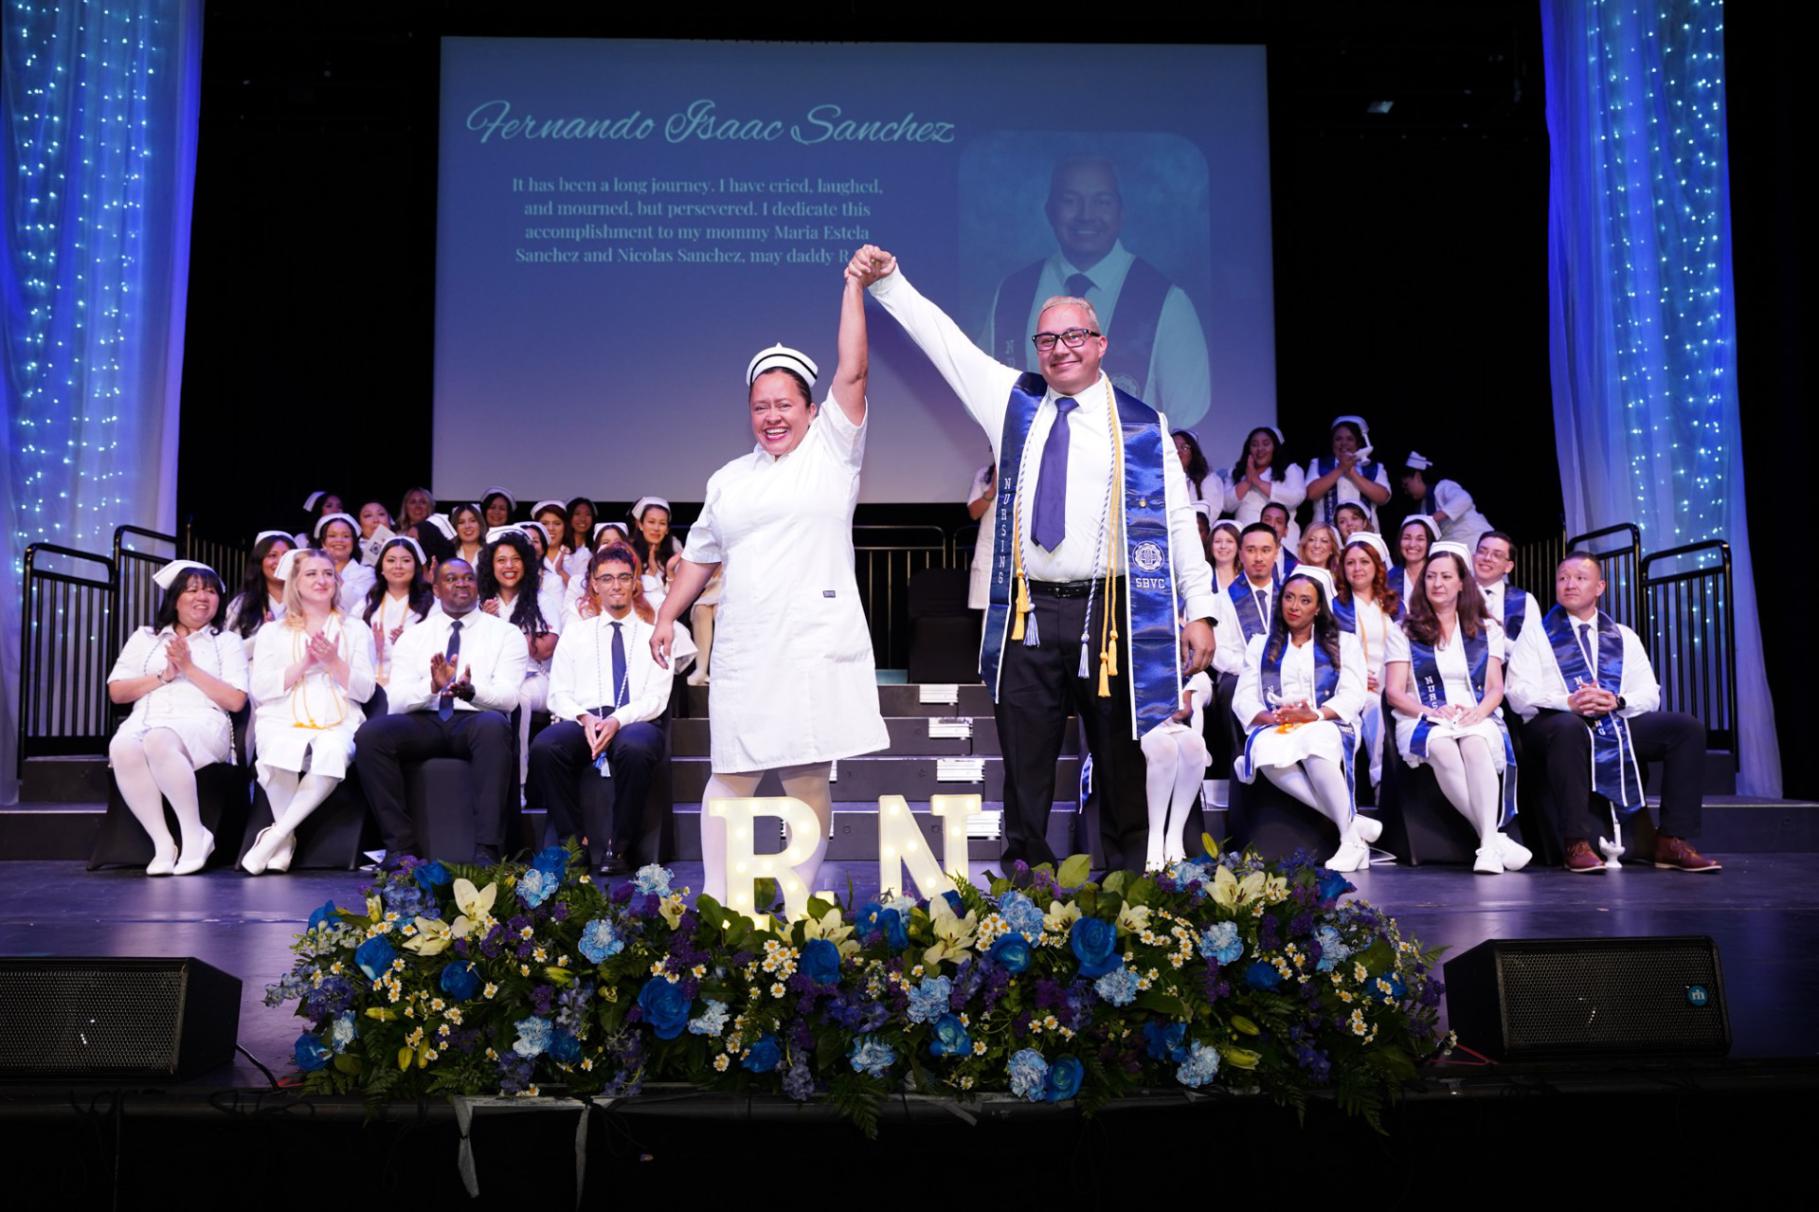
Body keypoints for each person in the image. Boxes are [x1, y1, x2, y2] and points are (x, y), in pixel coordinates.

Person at [865, 244, 1216, 871]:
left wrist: (1201, 611)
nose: (1061, 348)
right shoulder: (1011, 400)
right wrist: (891, 283)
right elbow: (943, 343)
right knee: (1025, 763)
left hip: (1110, 612)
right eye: (1047, 339)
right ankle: (1028, 895)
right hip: (1030, 609)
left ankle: (1126, 889)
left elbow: (1177, 522)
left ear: (1101, 342)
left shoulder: (1143, 425)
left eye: (1075, 335)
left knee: (1118, 757)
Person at [654, 258, 892, 898]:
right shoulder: (729, 478)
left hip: (812, 640)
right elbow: (701, 553)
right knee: (730, 771)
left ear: (813, 409)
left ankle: (795, 897)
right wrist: (664, 614)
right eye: (761, 406)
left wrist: (853, 287)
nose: (772, 416)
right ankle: (718, 899)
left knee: (806, 775)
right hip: (748, 645)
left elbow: (855, 370)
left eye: (785, 404)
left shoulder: (833, 451)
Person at [1504, 552, 1720, 873]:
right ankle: (1576, 841)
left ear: (1600, 586)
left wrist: (1616, 701)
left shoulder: (1623, 636)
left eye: (1580, 578)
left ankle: (1671, 840)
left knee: (1685, 728)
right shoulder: (1536, 635)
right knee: (1569, 728)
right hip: (1553, 725)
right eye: (1563, 578)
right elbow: (1518, 694)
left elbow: (1650, 694)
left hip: (1613, 721)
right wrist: (1569, 702)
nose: (1570, 584)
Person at [982, 155, 1212, 427]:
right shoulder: (1013, 294)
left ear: (1120, 212)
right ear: (1049, 211)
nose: (1086, 215)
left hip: (1124, 467)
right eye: (1070, 200)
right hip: (1033, 466)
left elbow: (1187, 420)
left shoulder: (1167, 302)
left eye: (1101, 201)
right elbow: (985, 393)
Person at [353, 558, 528, 864]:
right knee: (371, 735)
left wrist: (471, 691)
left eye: (467, 578)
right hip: (426, 719)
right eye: (451, 579)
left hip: (474, 718)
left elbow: (510, 698)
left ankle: (486, 849)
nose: (461, 584)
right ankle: (401, 848)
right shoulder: (414, 636)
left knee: (492, 727)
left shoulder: (505, 634)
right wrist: (432, 687)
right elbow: (397, 699)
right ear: (435, 588)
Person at [536, 544, 697, 875]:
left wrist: (616, 719)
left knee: (635, 747)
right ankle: (573, 843)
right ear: (594, 584)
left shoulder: (656, 633)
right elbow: (558, 694)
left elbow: (656, 698)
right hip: (586, 719)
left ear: (635, 582)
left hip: (634, 719)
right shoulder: (576, 634)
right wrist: (585, 718)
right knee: (545, 747)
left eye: (624, 578)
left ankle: (620, 845)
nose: (616, 585)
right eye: (606, 578)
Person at [1383, 542, 1529, 875]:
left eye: (1446, 576)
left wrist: (1480, 712)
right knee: (1442, 748)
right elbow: (1394, 692)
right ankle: (1492, 841)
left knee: (1476, 743)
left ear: (1462, 582)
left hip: (1474, 712)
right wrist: (1430, 712)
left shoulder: (1487, 629)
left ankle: (1489, 843)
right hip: (1422, 716)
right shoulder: (1403, 630)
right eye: (1431, 577)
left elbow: (1496, 687)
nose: (1437, 583)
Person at [106, 560, 249, 875]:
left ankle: (194, 834)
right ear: (175, 598)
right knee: (123, 747)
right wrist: (165, 675)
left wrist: (188, 668)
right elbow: (117, 692)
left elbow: (236, 700)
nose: (203, 597)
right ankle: (163, 843)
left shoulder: (226, 641)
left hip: (204, 723)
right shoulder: (146, 637)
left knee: (160, 738)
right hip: (145, 718)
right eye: (193, 590)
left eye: (210, 591)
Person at [1231, 567, 1379, 871]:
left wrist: (1313, 715)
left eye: (1304, 600)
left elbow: (1353, 695)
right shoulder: (1261, 644)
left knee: (1315, 741)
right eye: (1288, 598)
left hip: (1328, 721)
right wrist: (1270, 717)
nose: (1294, 607)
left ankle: (1348, 840)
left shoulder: (1344, 642)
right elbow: (1243, 698)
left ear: (1318, 608)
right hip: (1280, 724)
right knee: (1263, 751)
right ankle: (1352, 827)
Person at [243, 549, 377, 874]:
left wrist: (333, 662)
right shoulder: (272, 632)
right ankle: (285, 839)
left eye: (328, 573)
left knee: (331, 751)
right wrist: (305, 663)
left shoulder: (356, 629)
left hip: (338, 715)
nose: (322, 580)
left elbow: (365, 690)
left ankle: (274, 836)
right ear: (296, 583)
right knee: (277, 752)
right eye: (312, 574)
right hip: (281, 713)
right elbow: (261, 689)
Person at [478, 527, 562, 787]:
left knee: (518, 699)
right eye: (501, 560)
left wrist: (498, 628)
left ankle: (519, 783)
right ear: (491, 566)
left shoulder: (541, 600)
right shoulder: (481, 604)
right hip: (492, 677)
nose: (509, 566)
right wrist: (485, 622)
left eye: (515, 560)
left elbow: (545, 647)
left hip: (535, 678)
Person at [1334, 531, 1400, 788]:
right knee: (1375, 710)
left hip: (1394, 681)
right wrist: (1358, 678)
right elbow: (1328, 655)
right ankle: (1379, 784)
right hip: (1358, 685)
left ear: (1377, 566)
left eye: (1364, 561)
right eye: (1350, 563)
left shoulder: (1395, 604)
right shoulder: (1334, 607)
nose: (1357, 568)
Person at [1141, 670, 1213, 872]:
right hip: (1137, 718)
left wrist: (1185, 690)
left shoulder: (1173, 639)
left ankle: (1174, 836)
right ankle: (1155, 839)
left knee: (1194, 745)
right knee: (1164, 748)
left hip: (1171, 722)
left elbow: (1184, 707)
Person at [361, 535, 433, 688]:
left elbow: (435, 649)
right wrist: (370, 645)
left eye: (406, 561)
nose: (398, 566)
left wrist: (405, 644)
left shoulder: (432, 605)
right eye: (391, 560)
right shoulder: (366, 602)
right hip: (370, 684)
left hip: (412, 685)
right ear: (381, 567)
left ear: (416, 567)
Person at [1303, 415, 1391, 531]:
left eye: (1350, 439)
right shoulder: (1318, 464)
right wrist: (1340, 469)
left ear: (1358, 443)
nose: (1344, 443)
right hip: (1326, 537)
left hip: (1364, 537)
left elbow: (1383, 497)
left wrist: (1353, 474)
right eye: (1338, 439)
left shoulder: (1373, 467)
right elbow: (1311, 494)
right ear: (1332, 442)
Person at [1219, 426, 1306, 537]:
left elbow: (1295, 498)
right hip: (1246, 536)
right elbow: (1227, 505)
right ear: (1248, 449)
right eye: (1254, 445)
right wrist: (1247, 482)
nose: (1260, 449)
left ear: (1275, 447)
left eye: (1266, 444)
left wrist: (1258, 482)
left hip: (1282, 539)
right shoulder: (1236, 472)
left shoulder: (1290, 469)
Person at [1401, 451, 1493, 554]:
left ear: (1417, 476)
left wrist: (1433, 519)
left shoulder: (1443, 487)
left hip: (1475, 538)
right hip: (1456, 548)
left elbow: (1464, 499)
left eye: (1406, 485)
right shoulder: (1422, 508)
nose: (1406, 491)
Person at [225, 530, 295, 661]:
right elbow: (229, 655)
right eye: (272, 555)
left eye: (286, 555)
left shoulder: (308, 601)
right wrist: (264, 635)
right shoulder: (241, 604)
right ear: (259, 562)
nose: (280, 561)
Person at [314, 512, 376, 617]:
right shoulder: (311, 572)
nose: (339, 540)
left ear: (353, 542)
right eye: (332, 536)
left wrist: (331, 570)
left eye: (346, 536)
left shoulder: (366, 573)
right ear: (323, 543)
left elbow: (358, 604)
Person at [1472, 530, 1530, 641]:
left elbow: (1532, 649)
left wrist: (1497, 638)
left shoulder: (1524, 600)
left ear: (1508, 566)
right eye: (1482, 551)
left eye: (1497, 555)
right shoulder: (1456, 594)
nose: (1487, 558)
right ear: (1473, 557)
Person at [630, 497, 682, 604]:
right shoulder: (628, 554)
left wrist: (670, 572)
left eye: (662, 523)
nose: (656, 528)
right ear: (640, 525)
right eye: (651, 522)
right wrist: (650, 574)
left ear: (667, 529)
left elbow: (681, 598)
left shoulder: (676, 556)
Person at [966, 458, 997, 611]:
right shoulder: (984, 475)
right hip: (990, 555)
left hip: (1020, 557)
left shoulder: (1027, 474)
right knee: (991, 615)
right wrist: (992, 489)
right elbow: (974, 513)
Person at [1389, 514, 1439, 603]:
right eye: (1407, 538)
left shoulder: (1439, 578)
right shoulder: (1389, 578)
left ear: (1429, 543)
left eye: (1420, 539)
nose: (1412, 544)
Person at [530, 499, 574, 590]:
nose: (551, 528)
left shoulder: (581, 555)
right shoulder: (528, 555)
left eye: (557, 523)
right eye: (544, 523)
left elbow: (583, 592)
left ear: (565, 527)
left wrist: (560, 571)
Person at [1261, 500, 1301, 576]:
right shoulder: (1244, 558)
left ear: (1285, 531)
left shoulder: (1296, 565)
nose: (1272, 525)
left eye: (1279, 522)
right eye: (1267, 520)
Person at [1173, 429, 1214, 504]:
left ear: (1193, 454)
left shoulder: (1209, 479)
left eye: (1185, 447)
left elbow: (1211, 512)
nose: (1178, 452)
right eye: (1173, 447)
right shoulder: (1155, 478)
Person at [354, 500, 395, 567]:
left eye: (381, 514)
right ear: (359, 523)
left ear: (390, 519)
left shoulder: (402, 543)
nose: (376, 520)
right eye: (368, 515)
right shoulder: (352, 549)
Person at [564, 498, 598, 577]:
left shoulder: (596, 548)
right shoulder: (560, 548)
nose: (583, 519)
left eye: (588, 514)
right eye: (577, 514)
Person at [1207, 518, 1242, 593]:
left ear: (1238, 546)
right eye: (1218, 541)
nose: (1223, 546)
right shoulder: (1203, 577)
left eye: (1229, 541)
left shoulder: (1247, 578)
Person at [449, 502, 486, 569]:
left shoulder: (490, 552)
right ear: (454, 528)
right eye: (461, 522)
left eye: (472, 521)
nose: (467, 526)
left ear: (480, 524)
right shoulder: (447, 554)